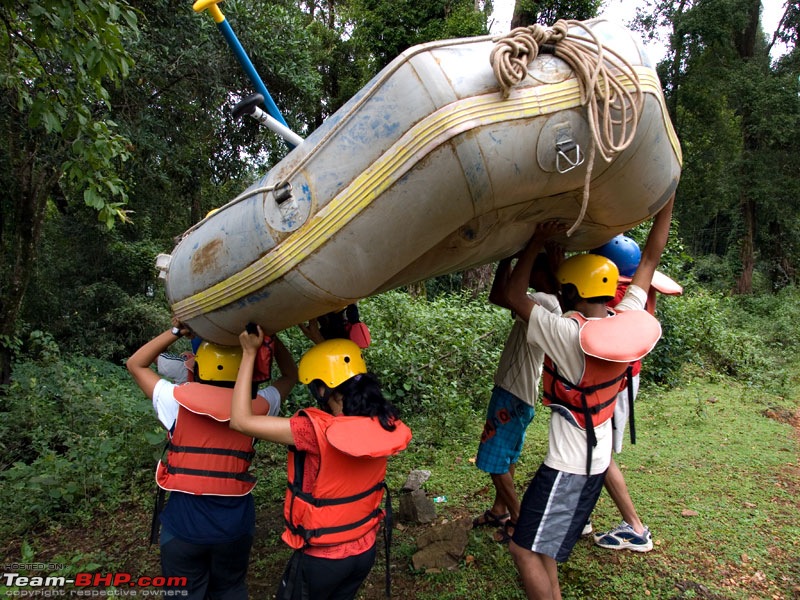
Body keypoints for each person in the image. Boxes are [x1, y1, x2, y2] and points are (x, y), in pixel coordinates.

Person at [503, 195, 675, 600]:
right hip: (593, 465)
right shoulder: (627, 316)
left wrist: (533, 243)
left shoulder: (569, 336)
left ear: (572, 292)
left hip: (566, 470)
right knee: (541, 549)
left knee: (523, 550)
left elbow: (514, 296)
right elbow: (650, 259)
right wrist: (666, 199)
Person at [229, 332, 412, 600]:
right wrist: (315, 334)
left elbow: (241, 421)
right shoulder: (383, 418)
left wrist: (248, 353)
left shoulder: (313, 431)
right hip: (364, 551)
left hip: (322, 559)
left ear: (322, 389)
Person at [126, 324, 298, 599]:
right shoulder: (260, 407)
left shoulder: (175, 402)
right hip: (233, 529)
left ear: (201, 366)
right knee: (229, 589)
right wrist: (269, 340)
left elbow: (136, 364)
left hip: (182, 529)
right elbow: (291, 375)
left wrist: (177, 330)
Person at [588, 234, 683, 552]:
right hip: (625, 380)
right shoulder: (637, 293)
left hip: (615, 383)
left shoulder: (613, 297)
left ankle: (635, 527)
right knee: (593, 452)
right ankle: (581, 514)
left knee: (599, 454)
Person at [472, 251, 561, 544]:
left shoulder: (545, 302)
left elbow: (500, 294)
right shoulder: (550, 304)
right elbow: (503, 294)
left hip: (512, 394)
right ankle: (500, 510)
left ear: (542, 272)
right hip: (522, 395)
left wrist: (510, 256)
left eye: (531, 266)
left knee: (493, 461)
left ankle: (519, 518)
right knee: (506, 455)